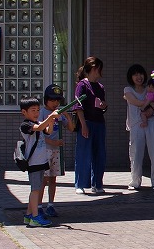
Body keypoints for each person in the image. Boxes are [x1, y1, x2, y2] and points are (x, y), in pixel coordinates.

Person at [123, 64, 154, 190]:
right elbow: (134, 101)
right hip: (136, 124)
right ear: (131, 77)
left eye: (140, 74)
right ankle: (135, 181)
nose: (138, 77)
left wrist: (153, 104)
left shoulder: (150, 88)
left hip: (152, 122)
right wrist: (152, 103)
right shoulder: (127, 90)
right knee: (136, 154)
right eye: (135, 74)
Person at [18, 97, 59, 227]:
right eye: (33, 110)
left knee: (36, 189)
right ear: (24, 112)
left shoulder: (39, 123)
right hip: (34, 163)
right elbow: (41, 127)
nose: (36, 113)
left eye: (37, 110)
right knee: (35, 190)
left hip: (41, 162)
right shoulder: (26, 125)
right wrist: (50, 117)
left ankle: (29, 214)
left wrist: (51, 120)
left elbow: (48, 131)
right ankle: (35, 217)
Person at [73, 56, 109, 195]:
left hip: (99, 123)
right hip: (86, 122)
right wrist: (83, 125)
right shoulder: (82, 85)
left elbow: (103, 105)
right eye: (98, 69)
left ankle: (97, 183)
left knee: (100, 154)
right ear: (92, 69)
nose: (99, 72)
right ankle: (80, 184)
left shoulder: (100, 87)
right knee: (83, 154)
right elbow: (78, 106)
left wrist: (104, 106)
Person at [39, 84, 68, 219]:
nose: (55, 103)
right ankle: (39, 207)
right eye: (52, 100)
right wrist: (53, 142)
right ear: (46, 100)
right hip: (44, 151)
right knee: (42, 180)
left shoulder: (59, 113)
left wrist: (67, 114)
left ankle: (51, 205)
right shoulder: (41, 113)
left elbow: (71, 127)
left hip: (56, 151)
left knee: (53, 179)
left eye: (58, 100)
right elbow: (40, 135)